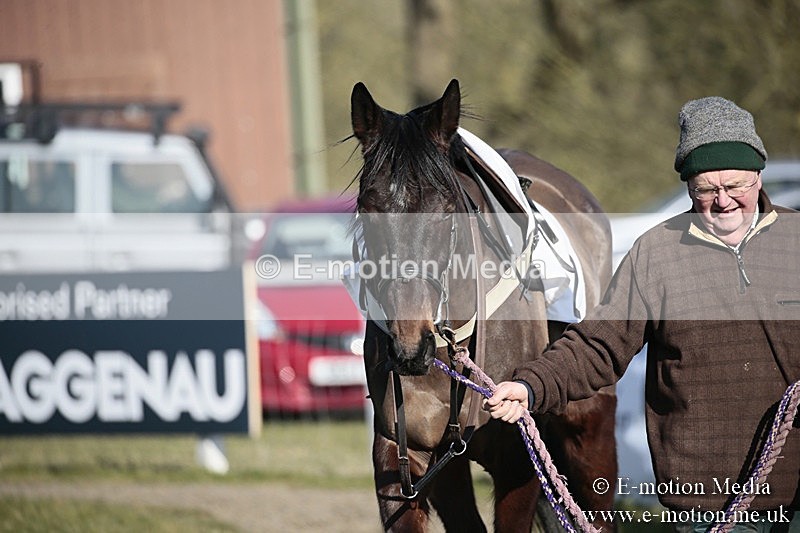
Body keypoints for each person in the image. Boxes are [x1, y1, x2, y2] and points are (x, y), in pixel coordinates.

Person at [484, 96, 800, 532]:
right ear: (689, 188)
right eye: (707, 189)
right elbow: (598, 344)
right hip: (706, 500)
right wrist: (530, 386)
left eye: (736, 185)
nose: (724, 201)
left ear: (759, 177)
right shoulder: (659, 253)